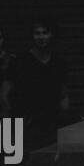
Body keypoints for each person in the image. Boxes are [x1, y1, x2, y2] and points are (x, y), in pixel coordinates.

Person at [12, 19, 70, 148]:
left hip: (53, 120)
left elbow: (63, 91)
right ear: (32, 36)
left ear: (51, 35)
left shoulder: (58, 62)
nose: (41, 37)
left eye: (45, 32)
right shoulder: (22, 61)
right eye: (37, 33)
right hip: (30, 121)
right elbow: (10, 92)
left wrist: (64, 112)